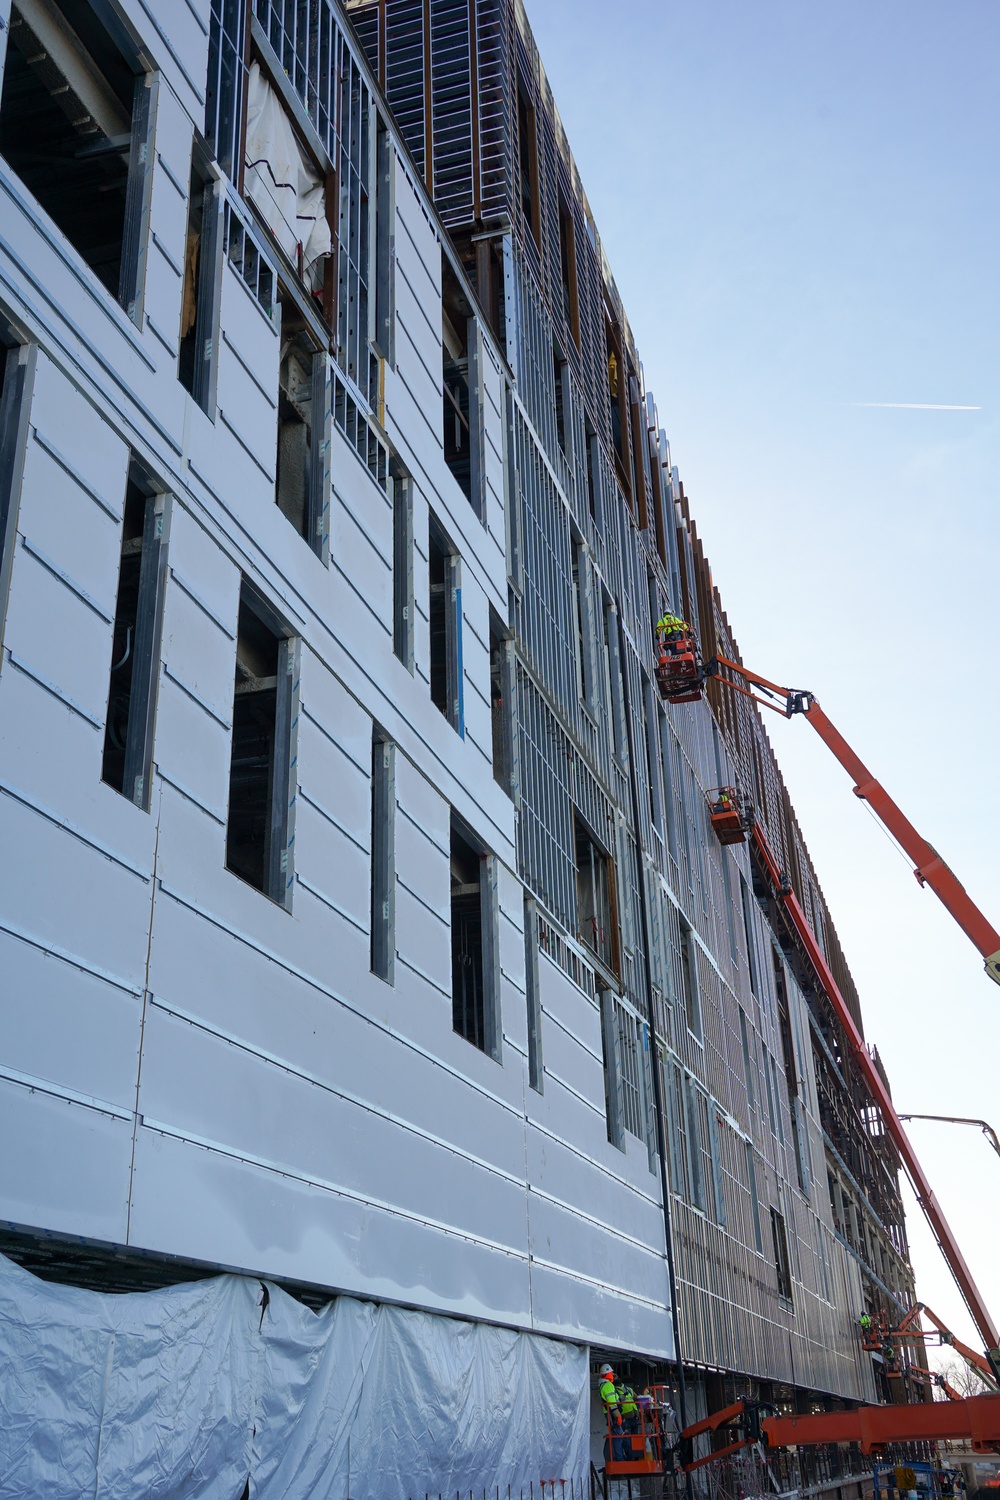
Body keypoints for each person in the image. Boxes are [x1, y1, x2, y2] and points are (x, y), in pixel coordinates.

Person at [599, 1363, 627, 1463]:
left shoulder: (605, 1385)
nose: (612, 1375)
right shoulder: (608, 1385)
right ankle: (619, 1459)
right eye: (611, 1373)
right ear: (607, 1374)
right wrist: (618, 1416)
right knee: (618, 1436)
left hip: (610, 1413)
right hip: (612, 1413)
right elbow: (612, 1403)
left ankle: (616, 1457)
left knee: (616, 1435)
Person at [616, 1377, 639, 1457]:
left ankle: (633, 1456)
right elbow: (637, 1398)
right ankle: (632, 1457)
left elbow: (637, 1398)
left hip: (630, 1418)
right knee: (629, 1441)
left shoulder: (625, 1390)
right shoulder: (626, 1390)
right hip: (628, 1419)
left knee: (631, 1440)